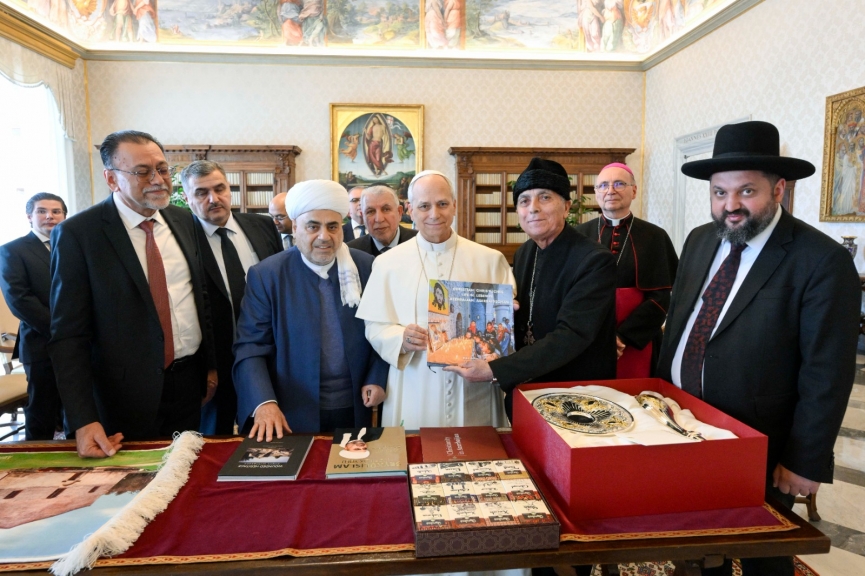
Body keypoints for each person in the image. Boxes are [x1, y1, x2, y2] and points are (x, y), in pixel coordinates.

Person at [657, 121, 860, 576]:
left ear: (778, 189)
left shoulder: (820, 261)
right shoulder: (699, 240)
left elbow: (827, 372)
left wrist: (803, 459)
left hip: (761, 446)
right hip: (684, 428)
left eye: (746, 191)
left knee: (763, 557)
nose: (730, 205)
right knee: (695, 542)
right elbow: (680, 325)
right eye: (719, 192)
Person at [49, 130, 217, 457]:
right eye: (142, 172)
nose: (158, 180)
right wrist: (83, 419)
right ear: (112, 179)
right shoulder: (79, 235)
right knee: (130, 482)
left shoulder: (184, 221)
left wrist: (209, 366)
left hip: (187, 385)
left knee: (186, 472)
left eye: (163, 169)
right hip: (121, 398)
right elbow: (68, 336)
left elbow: (200, 299)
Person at [446, 158, 617, 420]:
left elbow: (572, 334)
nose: (533, 208)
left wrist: (496, 369)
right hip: (528, 389)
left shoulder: (594, 260)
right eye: (524, 201)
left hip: (576, 396)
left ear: (566, 207)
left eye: (544, 198)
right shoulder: (525, 252)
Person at [356, 170, 515, 429]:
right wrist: (401, 338)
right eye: (424, 206)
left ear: (454, 206)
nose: (434, 214)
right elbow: (374, 326)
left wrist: (508, 313)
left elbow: (506, 325)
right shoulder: (387, 264)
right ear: (410, 210)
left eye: (442, 204)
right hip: (415, 382)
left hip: (474, 385)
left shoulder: (490, 260)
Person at [233, 179, 388, 440]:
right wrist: (264, 402)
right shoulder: (267, 275)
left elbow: (384, 329)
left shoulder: (367, 267)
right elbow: (251, 347)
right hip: (290, 409)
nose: (324, 236)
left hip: (357, 404)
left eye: (332, 226)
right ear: (295, 227)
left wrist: (377, 377)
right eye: (313, 226)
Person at [183, 160, 283, 435]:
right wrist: (207, 366)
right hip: (216, 365)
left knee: (269, 436)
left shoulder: (263, 226)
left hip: (268, 358)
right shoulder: (183, 239)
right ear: (187, 198)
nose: (214, 199)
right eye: (202, 193)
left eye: (220, 189)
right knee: (217, 438)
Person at [576, 162, 677, 378]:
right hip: (588, 337)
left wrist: (623, 337)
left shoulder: (655, 236)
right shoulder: (578, 236)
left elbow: (661, 298)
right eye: (603, 185)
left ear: (634, 191)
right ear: (596, 192)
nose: (610, 190)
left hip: (637, 339)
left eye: (619, 184)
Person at [0, 193, 67, 440]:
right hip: (41, 342)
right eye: (42, 211)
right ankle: (35, 456)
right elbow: (19, 299)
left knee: (78, 406)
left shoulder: (75, 246)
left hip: (83, 341)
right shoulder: (12, 250)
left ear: (64, 216)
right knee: (42, 410)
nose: (50, 216)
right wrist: (61, 329)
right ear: (29, 216)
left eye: (56, 211)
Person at [347, 185, 418, 257]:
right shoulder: (350, 253)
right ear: (363, 216)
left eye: (386, 209)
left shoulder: (420, 242)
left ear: (399, 212)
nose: (379, 219)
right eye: (370, 211)